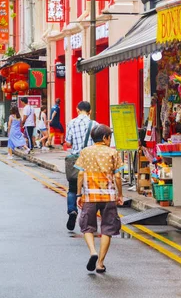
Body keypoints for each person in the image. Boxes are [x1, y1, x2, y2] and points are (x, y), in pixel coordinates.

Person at [76, 124, 124, 273]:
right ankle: (100, 263)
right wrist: (120, 194)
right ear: (105, 138)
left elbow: (80, 174)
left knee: (87, 227)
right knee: (107, 229)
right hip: (108, 196)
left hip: (90, 195)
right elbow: (117, 176)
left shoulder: (85, 152)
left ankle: (93, 252)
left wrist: (79, 194)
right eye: (109, 137)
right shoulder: (113, 153)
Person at [64, 101, 96, 231]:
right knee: (89, 190)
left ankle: (72, 211)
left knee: (72, 189)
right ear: (90, 111)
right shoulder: (95, 124)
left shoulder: (71, 123)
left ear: (77, 110)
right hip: (91, 161)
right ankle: (88, 218)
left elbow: (68, 143)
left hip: (76, 162)